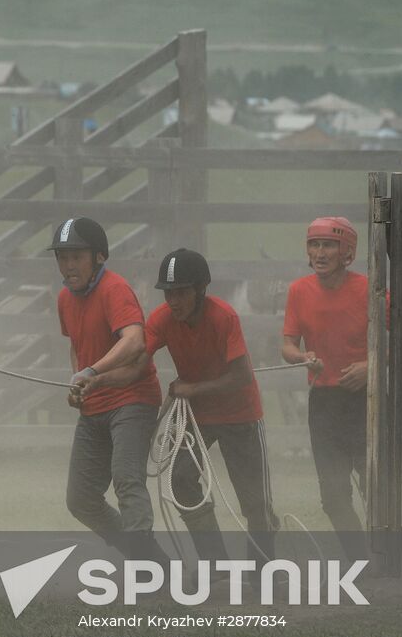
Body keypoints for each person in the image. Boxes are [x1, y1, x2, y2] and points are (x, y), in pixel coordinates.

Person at [142, 248, 278, 562]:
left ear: (200, 290)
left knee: (255, 500)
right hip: (197, 415)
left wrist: (191, 388)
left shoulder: (223, 317)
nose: (173, 301)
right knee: (180, 480)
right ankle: (215, 564)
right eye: (168, 293)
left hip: (239, 414)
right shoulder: (162, 320)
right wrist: (100, 375)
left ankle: (263, 569)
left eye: (181, 293)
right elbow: (138, 356)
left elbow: (242, 376)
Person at [49, 217, 168, 562]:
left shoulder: (115, 290)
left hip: (133, 399)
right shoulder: (65, 299)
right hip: (95, 404)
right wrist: (79, 382)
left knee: (127, 480)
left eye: (76, 256)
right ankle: (151, 559)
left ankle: (146, 570)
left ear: (99, 257)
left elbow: (134, 341)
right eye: (62, 257)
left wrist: (93, 371)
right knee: (81, 498)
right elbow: (76, 344)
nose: (68, 265)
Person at [281, 217, 368, 558]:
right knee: (333, 496)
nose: (320, 252)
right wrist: (302, 357)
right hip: (324, 403)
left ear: (347, 251)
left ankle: (389, 557)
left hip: (366, 401)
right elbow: (287, 345)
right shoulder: (298, 291)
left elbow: (401, 344)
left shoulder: (369, 289)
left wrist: (370, 367)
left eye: (328, 245)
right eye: (314, 245)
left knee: (375, 486)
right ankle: (360, 557)